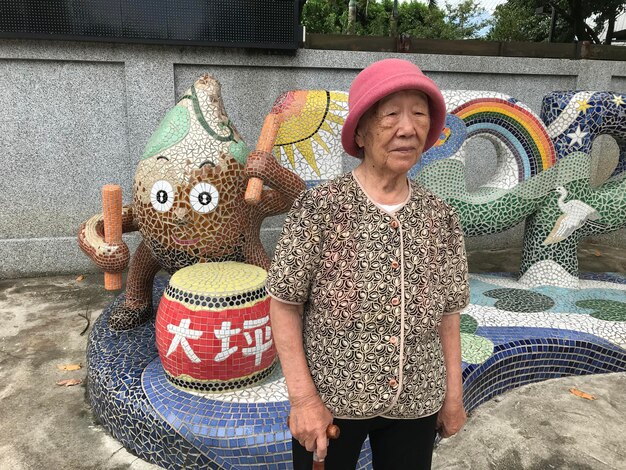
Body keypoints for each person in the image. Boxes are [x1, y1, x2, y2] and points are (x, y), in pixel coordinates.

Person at [265, 58, 470, 470]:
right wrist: (303, 400)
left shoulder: (440, 216)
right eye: (391, 114)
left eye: (419, 114)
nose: (407, 128)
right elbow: (285, 303)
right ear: (360, 130)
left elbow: (449, 313)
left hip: (416, 400)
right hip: (330, 403)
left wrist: (453, 396)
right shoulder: (319, 207)